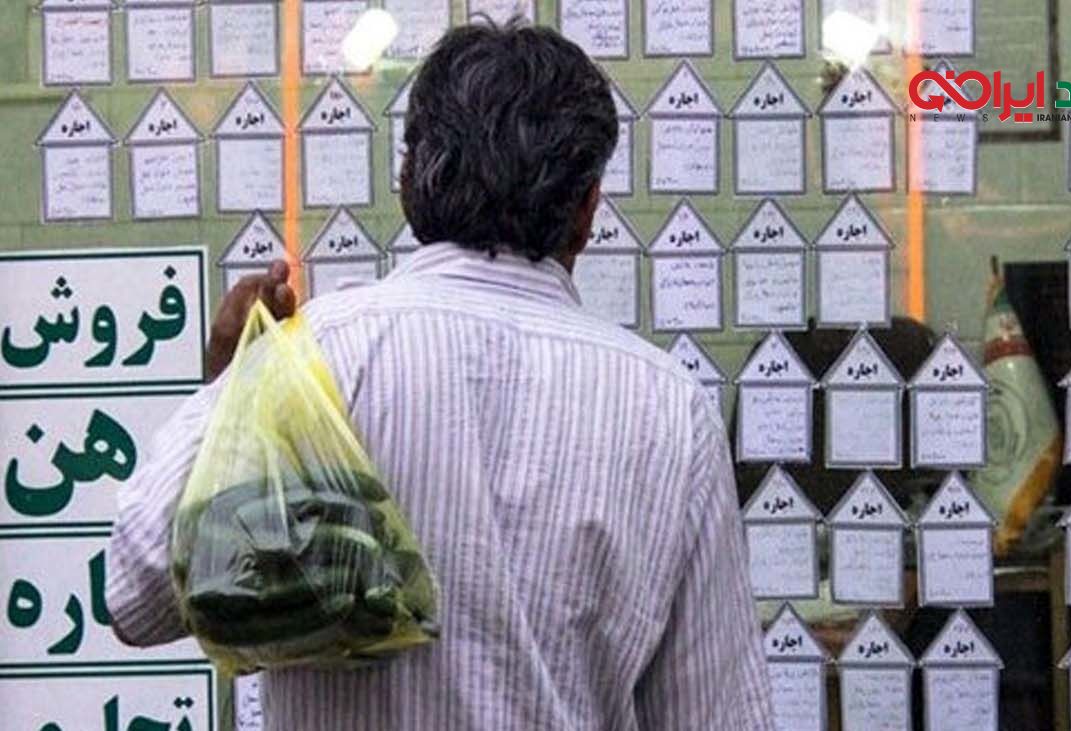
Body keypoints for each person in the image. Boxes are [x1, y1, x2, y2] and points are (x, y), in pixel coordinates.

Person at [106, 22, 775, 731]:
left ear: (409, 182)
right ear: (587, 211)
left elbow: (134, 593)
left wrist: (234, 392)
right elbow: (716, 715)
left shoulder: (316, 358)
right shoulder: (669, 411)